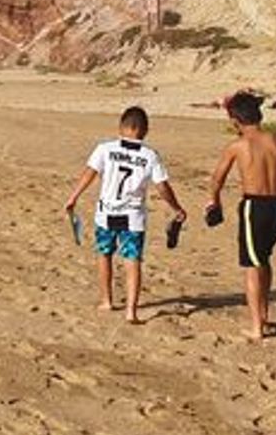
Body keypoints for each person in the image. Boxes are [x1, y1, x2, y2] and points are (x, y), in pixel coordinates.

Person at [205, 92, 276, 342]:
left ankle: (256, 327)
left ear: (235, 121)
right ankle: (263, 316)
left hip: (254, 208)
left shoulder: (237, 146)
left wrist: (214, 201)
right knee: (263, 260)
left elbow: (217, 178)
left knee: (251, 267)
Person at [63, 106, 186, 324]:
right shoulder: (149, 155)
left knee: (104, 254)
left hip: (107, 213)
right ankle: (131, 311)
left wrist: (73, 197)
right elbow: (162, 187)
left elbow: (89, 173)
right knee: (132, 259)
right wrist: (176, 208)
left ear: (121, 127)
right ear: (145, 130)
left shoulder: (105, 149)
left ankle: (107, 300)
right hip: (133, 217)